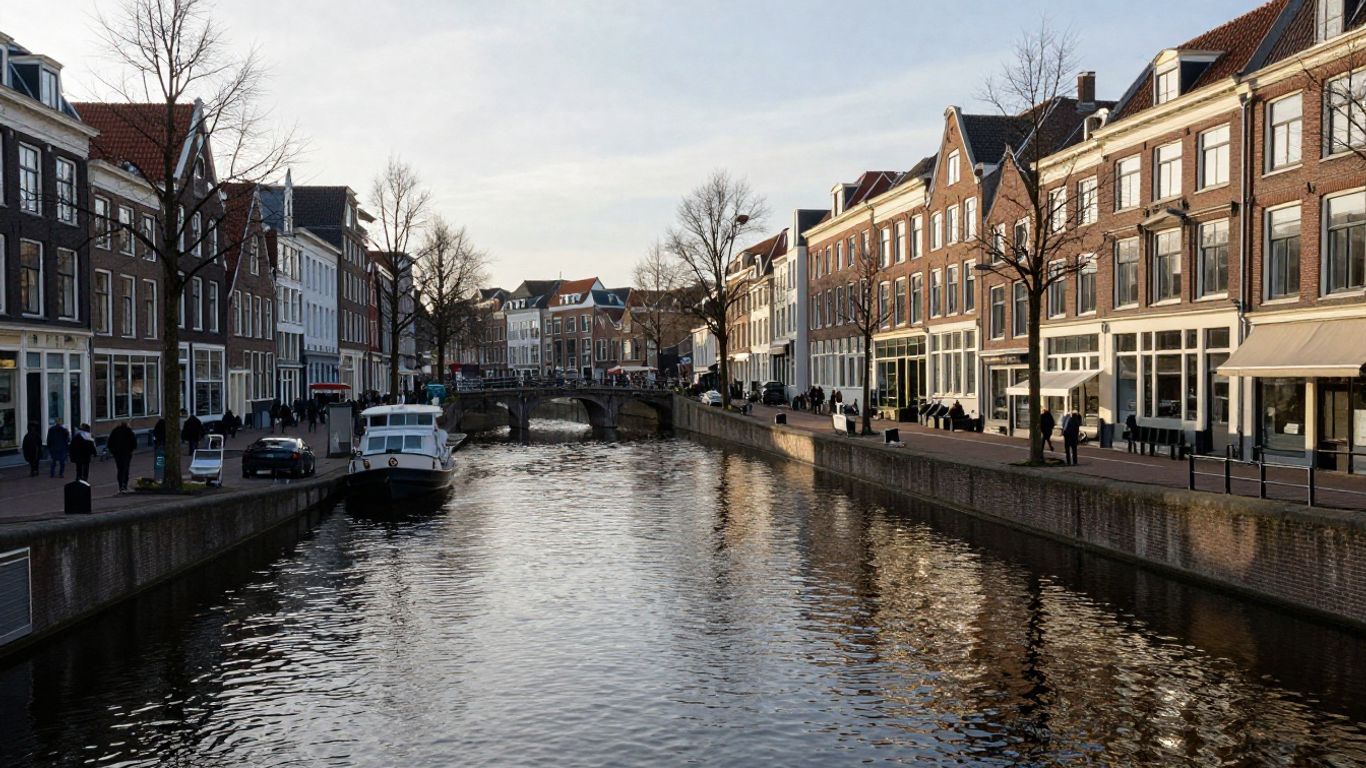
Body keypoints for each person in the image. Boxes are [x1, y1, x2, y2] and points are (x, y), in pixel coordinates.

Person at [107, 420, 137, 493]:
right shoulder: (129, 432)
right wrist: (130, 450)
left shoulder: (114, 432)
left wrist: (113, 452)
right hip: (126, 453)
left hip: (117, 454)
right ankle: (125, 485)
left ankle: (120, 485)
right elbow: (134, 443)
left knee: (119, 469)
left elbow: (109, 443)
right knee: (125, 469)